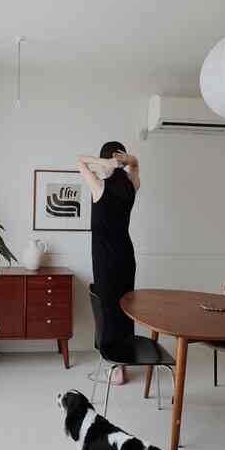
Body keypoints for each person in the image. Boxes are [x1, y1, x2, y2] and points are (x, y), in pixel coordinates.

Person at [77, 142, 140, 385]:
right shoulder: (131, 185)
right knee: (125, 310)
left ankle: (115, 368)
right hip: (126, 255)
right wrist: (124, 160)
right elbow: (135, 164)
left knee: (109, 310)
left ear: (104, 161)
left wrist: (106, 163)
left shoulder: (99, 185)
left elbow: (79, 161)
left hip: (105, 258)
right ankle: (123, 363)